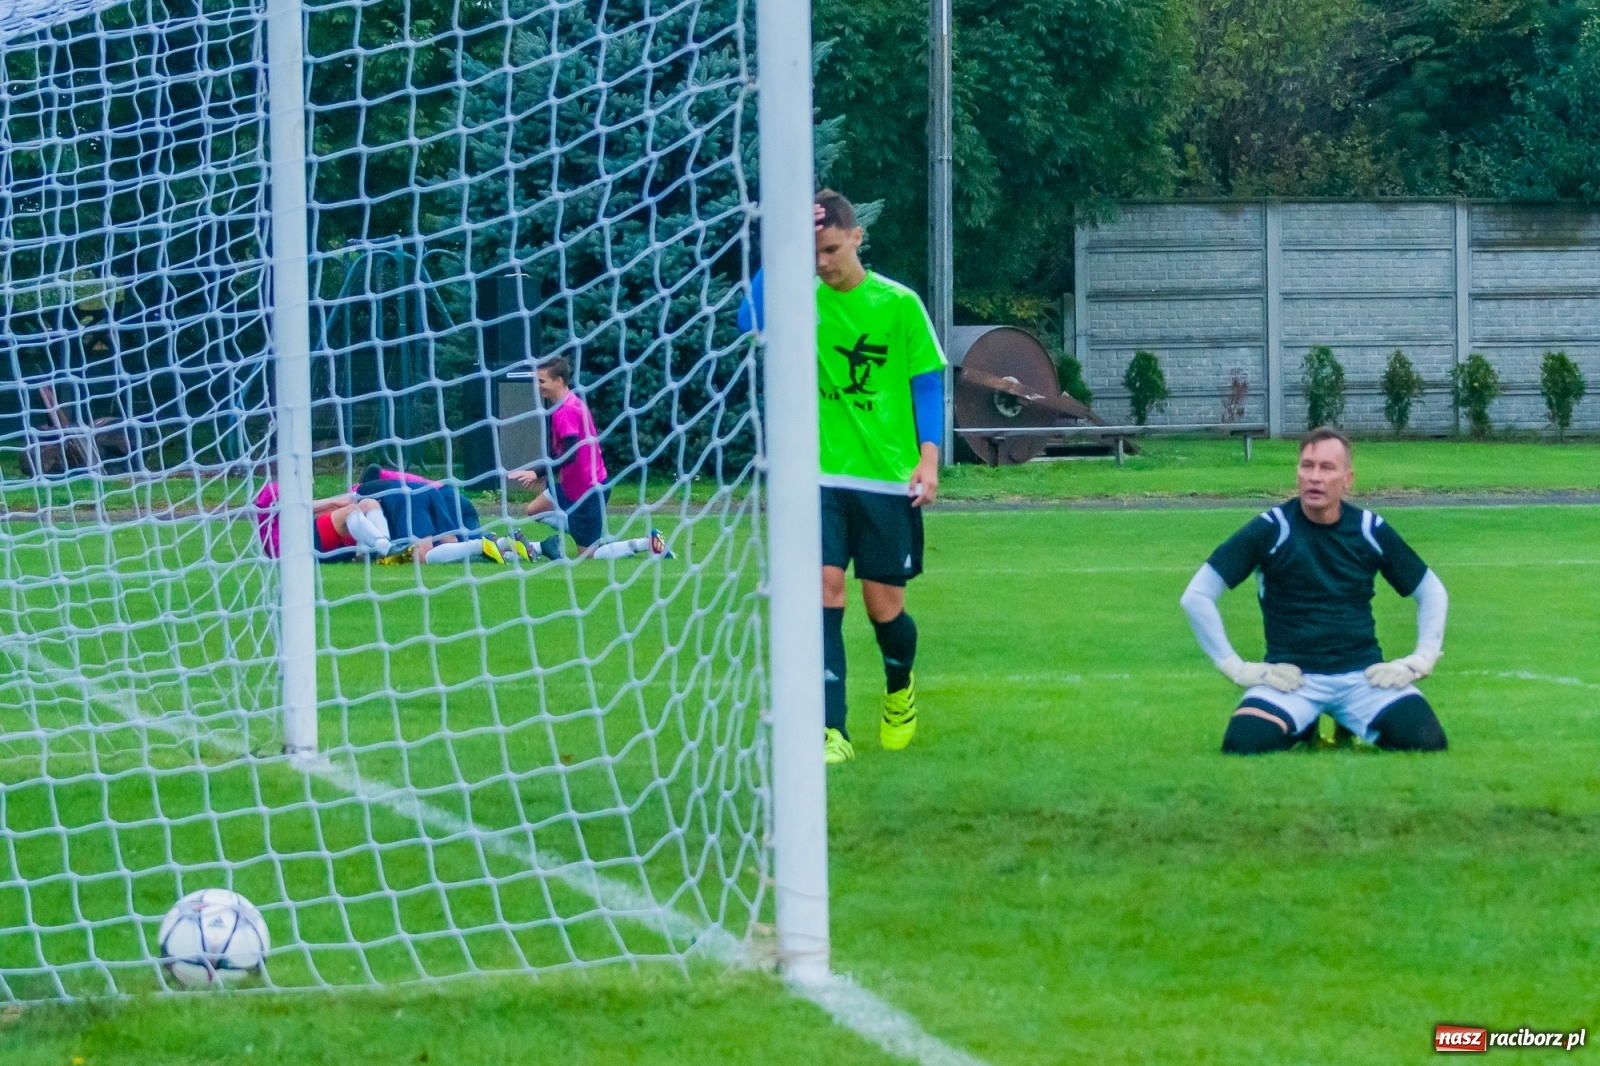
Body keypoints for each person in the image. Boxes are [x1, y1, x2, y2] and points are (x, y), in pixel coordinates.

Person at [772, 190, 947, 766]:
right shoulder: (800, 302)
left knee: (884, 609)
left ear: (856, 238)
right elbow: (751, 318)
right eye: (811, 254)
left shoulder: (899, 305)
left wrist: (928, 459)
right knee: (825, 589)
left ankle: (899, 691)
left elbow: (926, 383)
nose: (821, 263)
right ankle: (832, 730)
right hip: (820, 478)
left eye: (829, 249)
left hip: (886, 482)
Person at [1179, 427, 1450, 754]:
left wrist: (1420, 660)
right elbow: (1197, 596)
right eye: (1307, 466)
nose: (1314, 477)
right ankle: (1303, 724)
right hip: (1291, 679)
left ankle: (1347, 723)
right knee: (1243, 743)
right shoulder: (1272, 528)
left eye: (1326, 467)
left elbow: (1432, 591)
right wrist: (1236, 668)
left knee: (1427, 741)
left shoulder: (1369, 530)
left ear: (1348, 479)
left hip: (1363, 678)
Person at [506, 355, 672, 561]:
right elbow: (563, 451)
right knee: (535, 510)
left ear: (558, 380)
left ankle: (646, 543)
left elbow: (570, 454)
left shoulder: (565, 411)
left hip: (588, 491)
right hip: (572, 486)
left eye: (542, 381)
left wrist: (536, 471)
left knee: (588, 557)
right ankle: (579, 533)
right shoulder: (569, 402)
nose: (538, 386)